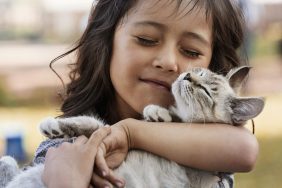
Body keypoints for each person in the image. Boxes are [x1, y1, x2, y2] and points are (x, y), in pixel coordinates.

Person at [41, 0, 259, 187]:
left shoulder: (210, 151)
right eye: (146, 39)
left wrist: (130, 133)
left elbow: (245, 149)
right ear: (106, 39)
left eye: (191, 51)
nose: (167, 62)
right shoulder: (61, 148)